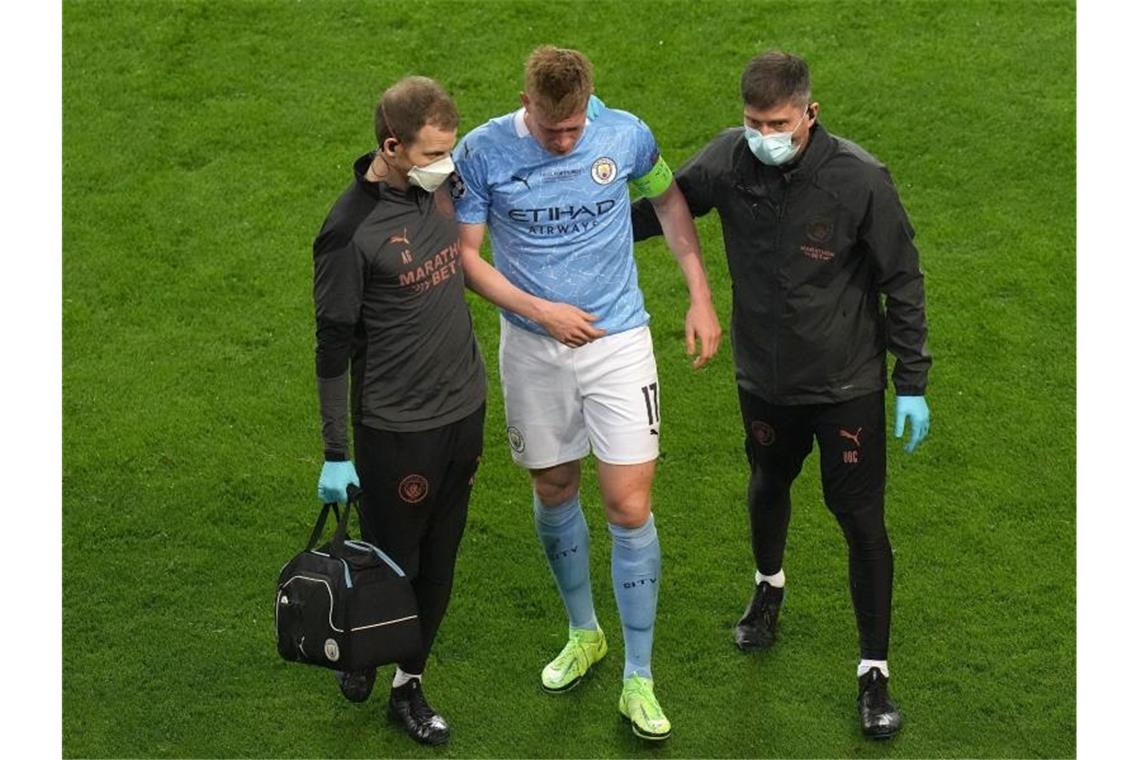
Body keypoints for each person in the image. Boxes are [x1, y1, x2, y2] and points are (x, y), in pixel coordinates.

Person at [631, 50, 932, 739]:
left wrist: (910, 382)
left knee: (860, 522)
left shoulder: (860, 180)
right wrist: (577, 228)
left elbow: (903, 281)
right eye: (752, 121)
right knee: (768, 482)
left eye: (778, 122)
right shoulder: (730, 160)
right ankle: (769, 587)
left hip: (846, 384)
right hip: (764, 380)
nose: (764, 134)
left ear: (810, 114)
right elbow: (665, 207)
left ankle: (873, 670)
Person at [452, 46, 722, 742]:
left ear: (589, 102)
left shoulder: (626, 134)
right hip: (533, 349)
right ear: (526, 102)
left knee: (629, 504)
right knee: (553, 489)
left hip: (618, 342)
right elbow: (466, 257)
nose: (564, 141)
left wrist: (700, 296)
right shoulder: (482, 153)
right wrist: (542, 313)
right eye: (551, 130)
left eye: (573, 129)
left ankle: (640, 676)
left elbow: (668, 200)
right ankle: (584, 632)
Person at [311, 76, 486, 746]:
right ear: (392, 145)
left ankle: (406, 689)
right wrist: (335, 451)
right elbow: (332, 348)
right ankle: (358, 647)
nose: (448, 165)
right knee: (392, 563)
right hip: (396, 430)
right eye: (435, 152)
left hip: (463, 411)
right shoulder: (349, 232)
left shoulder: (438, 184)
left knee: (440, 564)